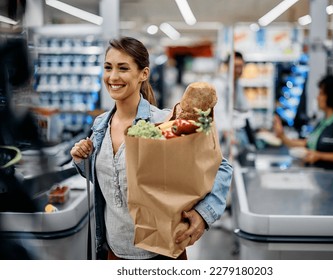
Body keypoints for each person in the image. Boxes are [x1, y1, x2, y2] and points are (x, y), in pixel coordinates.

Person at [70, 37, 233, 260]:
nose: (113, 76)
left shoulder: (165, 122)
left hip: (162, 253)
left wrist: (204, 214)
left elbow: (220, 167)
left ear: (143, 74)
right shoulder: (100, 126)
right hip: (114, 253)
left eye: (123, 68)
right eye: (108, 67)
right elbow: (110, 181)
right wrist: (83, 160)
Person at [273, 74, 333, 171]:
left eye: (321, 93)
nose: (317, 97)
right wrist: (282, 136)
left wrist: (319, 156)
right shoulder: (323, 124)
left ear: (332, 97)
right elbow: (309, 143)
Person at [212, 51, 250, 144]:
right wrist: (227, 133)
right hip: (223, 134)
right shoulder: (219, 84)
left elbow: (243, 108)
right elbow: (219, 110)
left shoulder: (238, 84)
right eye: (236, 66)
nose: (238, 70)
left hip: (236, 129)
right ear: (228, 66)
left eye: (241, 66)